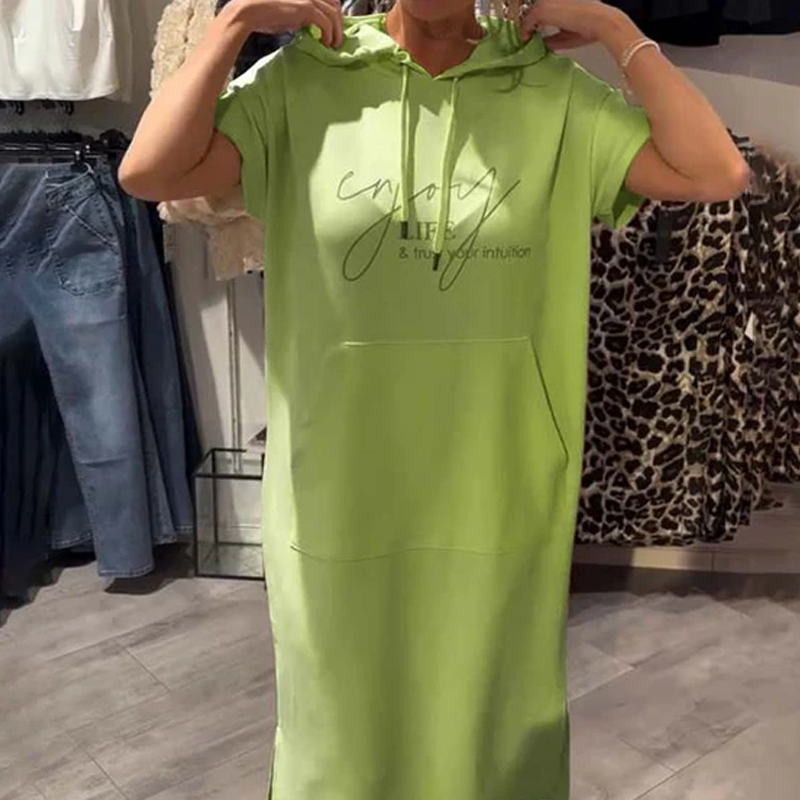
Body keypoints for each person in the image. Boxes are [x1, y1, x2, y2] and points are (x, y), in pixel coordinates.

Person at [120, 1, 748, 798]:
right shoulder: (304, 82)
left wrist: (617, 30)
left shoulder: (551, 94)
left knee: (490, 728)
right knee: (340, 732)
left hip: (497, 483)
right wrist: (233, 24)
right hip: (339, 484)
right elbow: (150, 171)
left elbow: (714, 171)